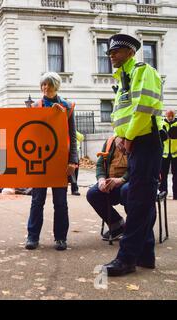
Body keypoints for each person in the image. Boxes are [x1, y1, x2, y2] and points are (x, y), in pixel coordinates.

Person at [103, 34, 164, 277]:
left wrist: (127, 137)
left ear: (130, 51)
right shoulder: (124, 77)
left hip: (145, 141)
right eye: (110, 52)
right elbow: (124, 113)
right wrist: (120, 136)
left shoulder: (142, 70)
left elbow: (144, 108)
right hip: (135, 142)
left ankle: (127, 258)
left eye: (116, 51)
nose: (111, 56)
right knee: (144, 201)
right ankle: (145, 255)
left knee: (139, 201)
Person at [25, 72, 78, 251]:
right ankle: (32, 237)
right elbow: (29, 132)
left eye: (49, 85)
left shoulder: (67, 106)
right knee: (37, 200)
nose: (45, 88)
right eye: (43, 85)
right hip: (40, 159)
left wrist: (73, 161)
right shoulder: (35, 106)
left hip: (60, 161)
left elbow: (72, 135)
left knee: (60, 202)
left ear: (56, 86)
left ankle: (61, 238)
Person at [86, 136, 129, 241]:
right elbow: (100, 164)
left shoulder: (135, 140)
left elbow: (137, 166)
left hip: (128, 181)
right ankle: (117, 225)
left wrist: (122, 179)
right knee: (92, 194)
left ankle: (132, 228)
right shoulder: (110, 142)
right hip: (111, 181)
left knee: (127, 190)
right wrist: (101, 179)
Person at [159, 109, 177, 200]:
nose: (170, 118)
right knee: (163, 174)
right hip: (164, 154)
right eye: (168, 116)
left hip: (175, 154)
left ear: (174, 115)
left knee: (176, 174)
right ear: (165, 115)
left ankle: (176, 195)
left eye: (171, 116)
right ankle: (163, 193)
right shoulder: (162, 124)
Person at [70, 131, 84, 196]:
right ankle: (74, 189)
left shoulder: (73, 131)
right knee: (73, 172)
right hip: (70, 152)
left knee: (74, 171)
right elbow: (81, 137)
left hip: (74, 153)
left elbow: (81, 138)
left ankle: (74, 189)